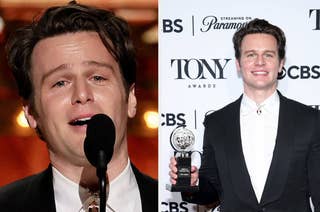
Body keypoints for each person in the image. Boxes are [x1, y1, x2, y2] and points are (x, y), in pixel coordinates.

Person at [0, 1, 157, 211]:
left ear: (131, 98)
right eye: (60, 83)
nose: (82, 95)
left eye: (98, 77)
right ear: (30, 113)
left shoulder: (186, 205)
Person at [169, 18, 320, 211]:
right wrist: (191, 183)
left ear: (281, 63)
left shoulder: (310, 121)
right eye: (250, 55)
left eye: (268, 55)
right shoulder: (216, 123)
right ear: (238, 64)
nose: (259, 62)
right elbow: (212, 190)